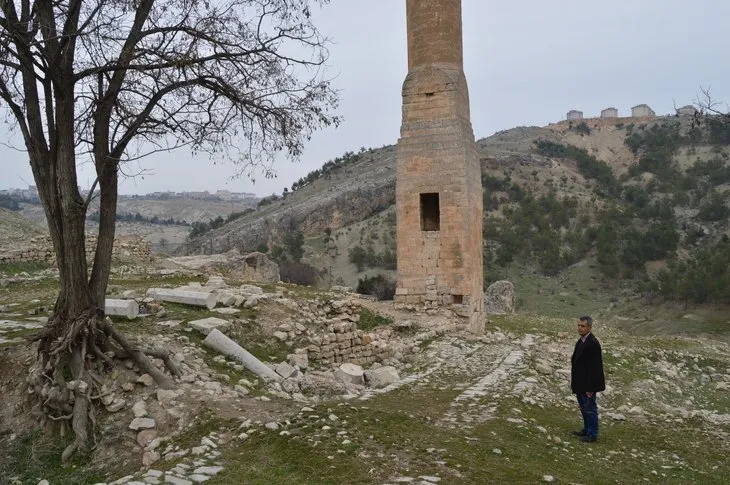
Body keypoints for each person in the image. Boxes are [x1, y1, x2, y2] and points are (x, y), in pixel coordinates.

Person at [571, 315, 605, 442]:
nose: (580, 328)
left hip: (588, 384)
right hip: (580, 382)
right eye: (579, 325)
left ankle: (592, 434)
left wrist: (591, 387)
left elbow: (595, 367)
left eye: (583, 326)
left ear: (589, 327)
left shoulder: (593, 343)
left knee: (590, 408)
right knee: (584, 407)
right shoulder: (581, 341)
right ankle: (586, 429)